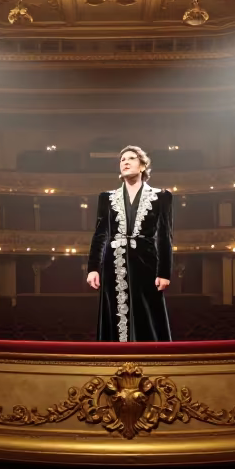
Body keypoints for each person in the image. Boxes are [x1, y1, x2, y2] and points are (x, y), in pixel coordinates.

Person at [86, 146, 173, 342]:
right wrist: (93, 268)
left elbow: (165, 236)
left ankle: (150, 360)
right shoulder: (106, 198)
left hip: (147, 261)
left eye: (131, 158)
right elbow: (100, 234)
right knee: (115, 310)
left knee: (148, 311)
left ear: (142, 166)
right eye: (122, 159)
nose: (125, 161)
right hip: (113, 263)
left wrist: (164, 272)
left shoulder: (161, 196)